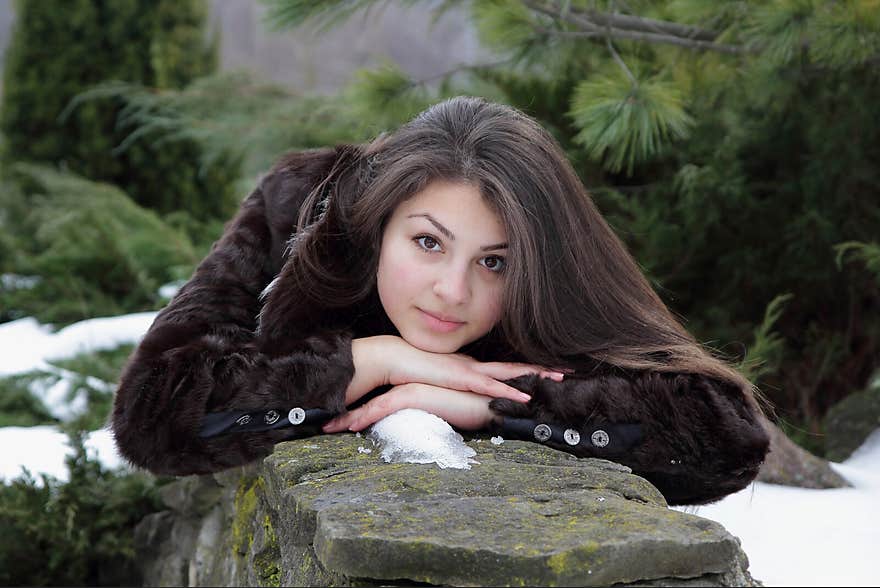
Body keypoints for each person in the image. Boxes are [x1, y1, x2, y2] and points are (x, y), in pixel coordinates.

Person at [111, 96, 772, 506]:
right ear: (381, 222)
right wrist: (370, 362)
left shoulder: (546, 279)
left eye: (494, 261)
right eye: (429, 242)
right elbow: (150, 411)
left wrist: (496, 404)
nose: (454, 291)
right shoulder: (302, 202)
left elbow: (726, 438)